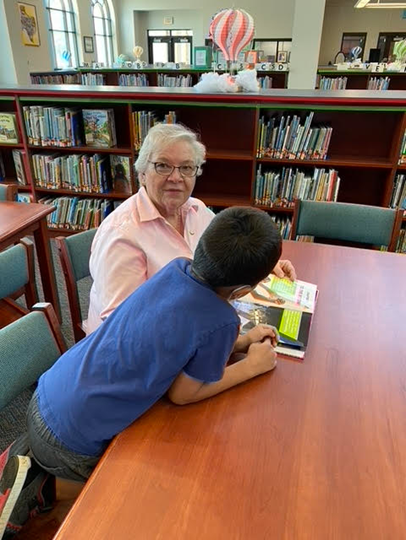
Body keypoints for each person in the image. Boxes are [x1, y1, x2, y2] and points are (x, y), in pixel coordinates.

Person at [0, 206, 283, 538]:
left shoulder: (176, 268)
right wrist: (251, 366)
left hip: (49, 393)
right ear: (242, 291)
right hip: (70, 443)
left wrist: (240, 344)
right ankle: (46, 490)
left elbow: (177, 343)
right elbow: (182, 394)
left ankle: (36, 460)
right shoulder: (222, 320)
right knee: (132, 501)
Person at [86, 123, 296, 335]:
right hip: (139, 351)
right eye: (163, 165)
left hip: (192, 322)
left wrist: (261, 265)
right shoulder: (121, 235)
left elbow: (227, 253)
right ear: (142, 173)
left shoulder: (196, 209)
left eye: (186, 168)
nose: (176, 178)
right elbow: (125, 331)